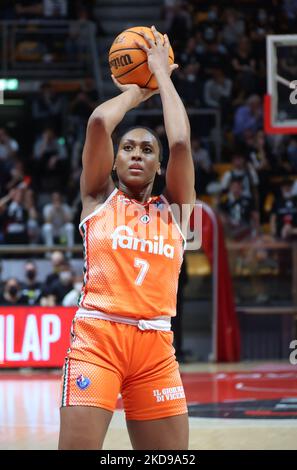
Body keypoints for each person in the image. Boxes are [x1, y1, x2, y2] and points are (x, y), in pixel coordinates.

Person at [58, 26, 196, 450]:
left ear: (158, 166)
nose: (138, 153)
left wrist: (162, 74)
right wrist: (140, 91)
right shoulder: (97, 198)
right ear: (115, 162)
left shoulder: (176, 212)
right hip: (97, 339)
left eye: (147, 151)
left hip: (156, 346)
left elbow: (181, 141)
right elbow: (100, 120)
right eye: (129, 148)